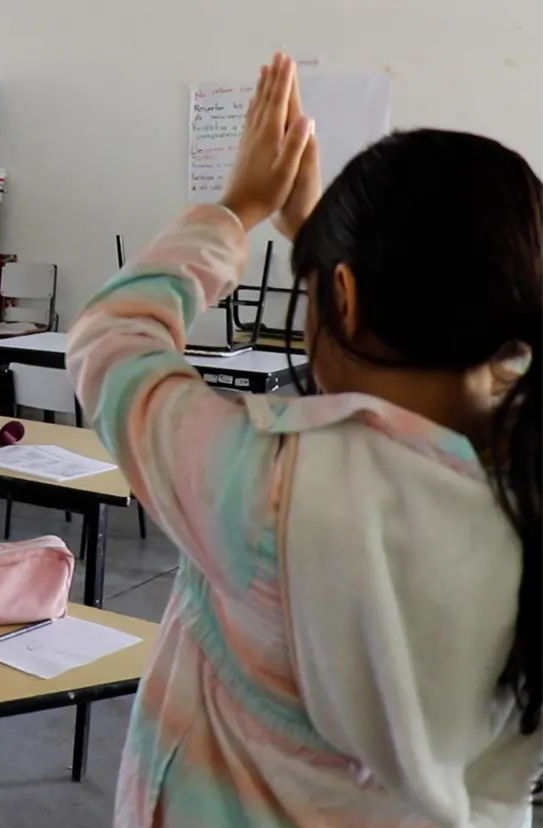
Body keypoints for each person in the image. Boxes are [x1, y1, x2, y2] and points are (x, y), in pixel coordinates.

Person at [68, 53, 543, 826]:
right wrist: (322, 240)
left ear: (343, 296)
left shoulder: (265, 491)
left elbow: (109, 341)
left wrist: (235, 208)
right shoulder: (521, 484)